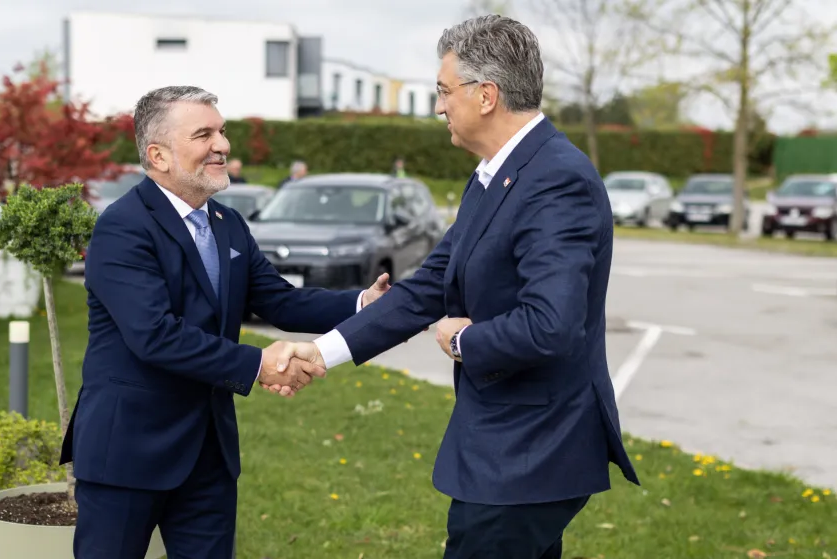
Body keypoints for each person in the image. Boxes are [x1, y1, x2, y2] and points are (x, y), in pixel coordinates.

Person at [264, 15, 640, 559]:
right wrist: (321, 352)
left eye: (444, 91)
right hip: (508, 449)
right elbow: (429, 286)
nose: (439, 107)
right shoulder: (494, 175)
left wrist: (462, 340)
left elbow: (550, 325)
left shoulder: (556, 179)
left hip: (532, 451)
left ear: (486, 95)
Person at [59, 85, 391, 559]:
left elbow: (280, 302)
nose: (223, 145)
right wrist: (259, 365)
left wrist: (363, 303)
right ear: (158, 155)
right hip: (128, 452)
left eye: (222, 131)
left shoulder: (227, 222)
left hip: (209, 454)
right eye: (204, 135)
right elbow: (155, 335)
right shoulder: (123, 226)